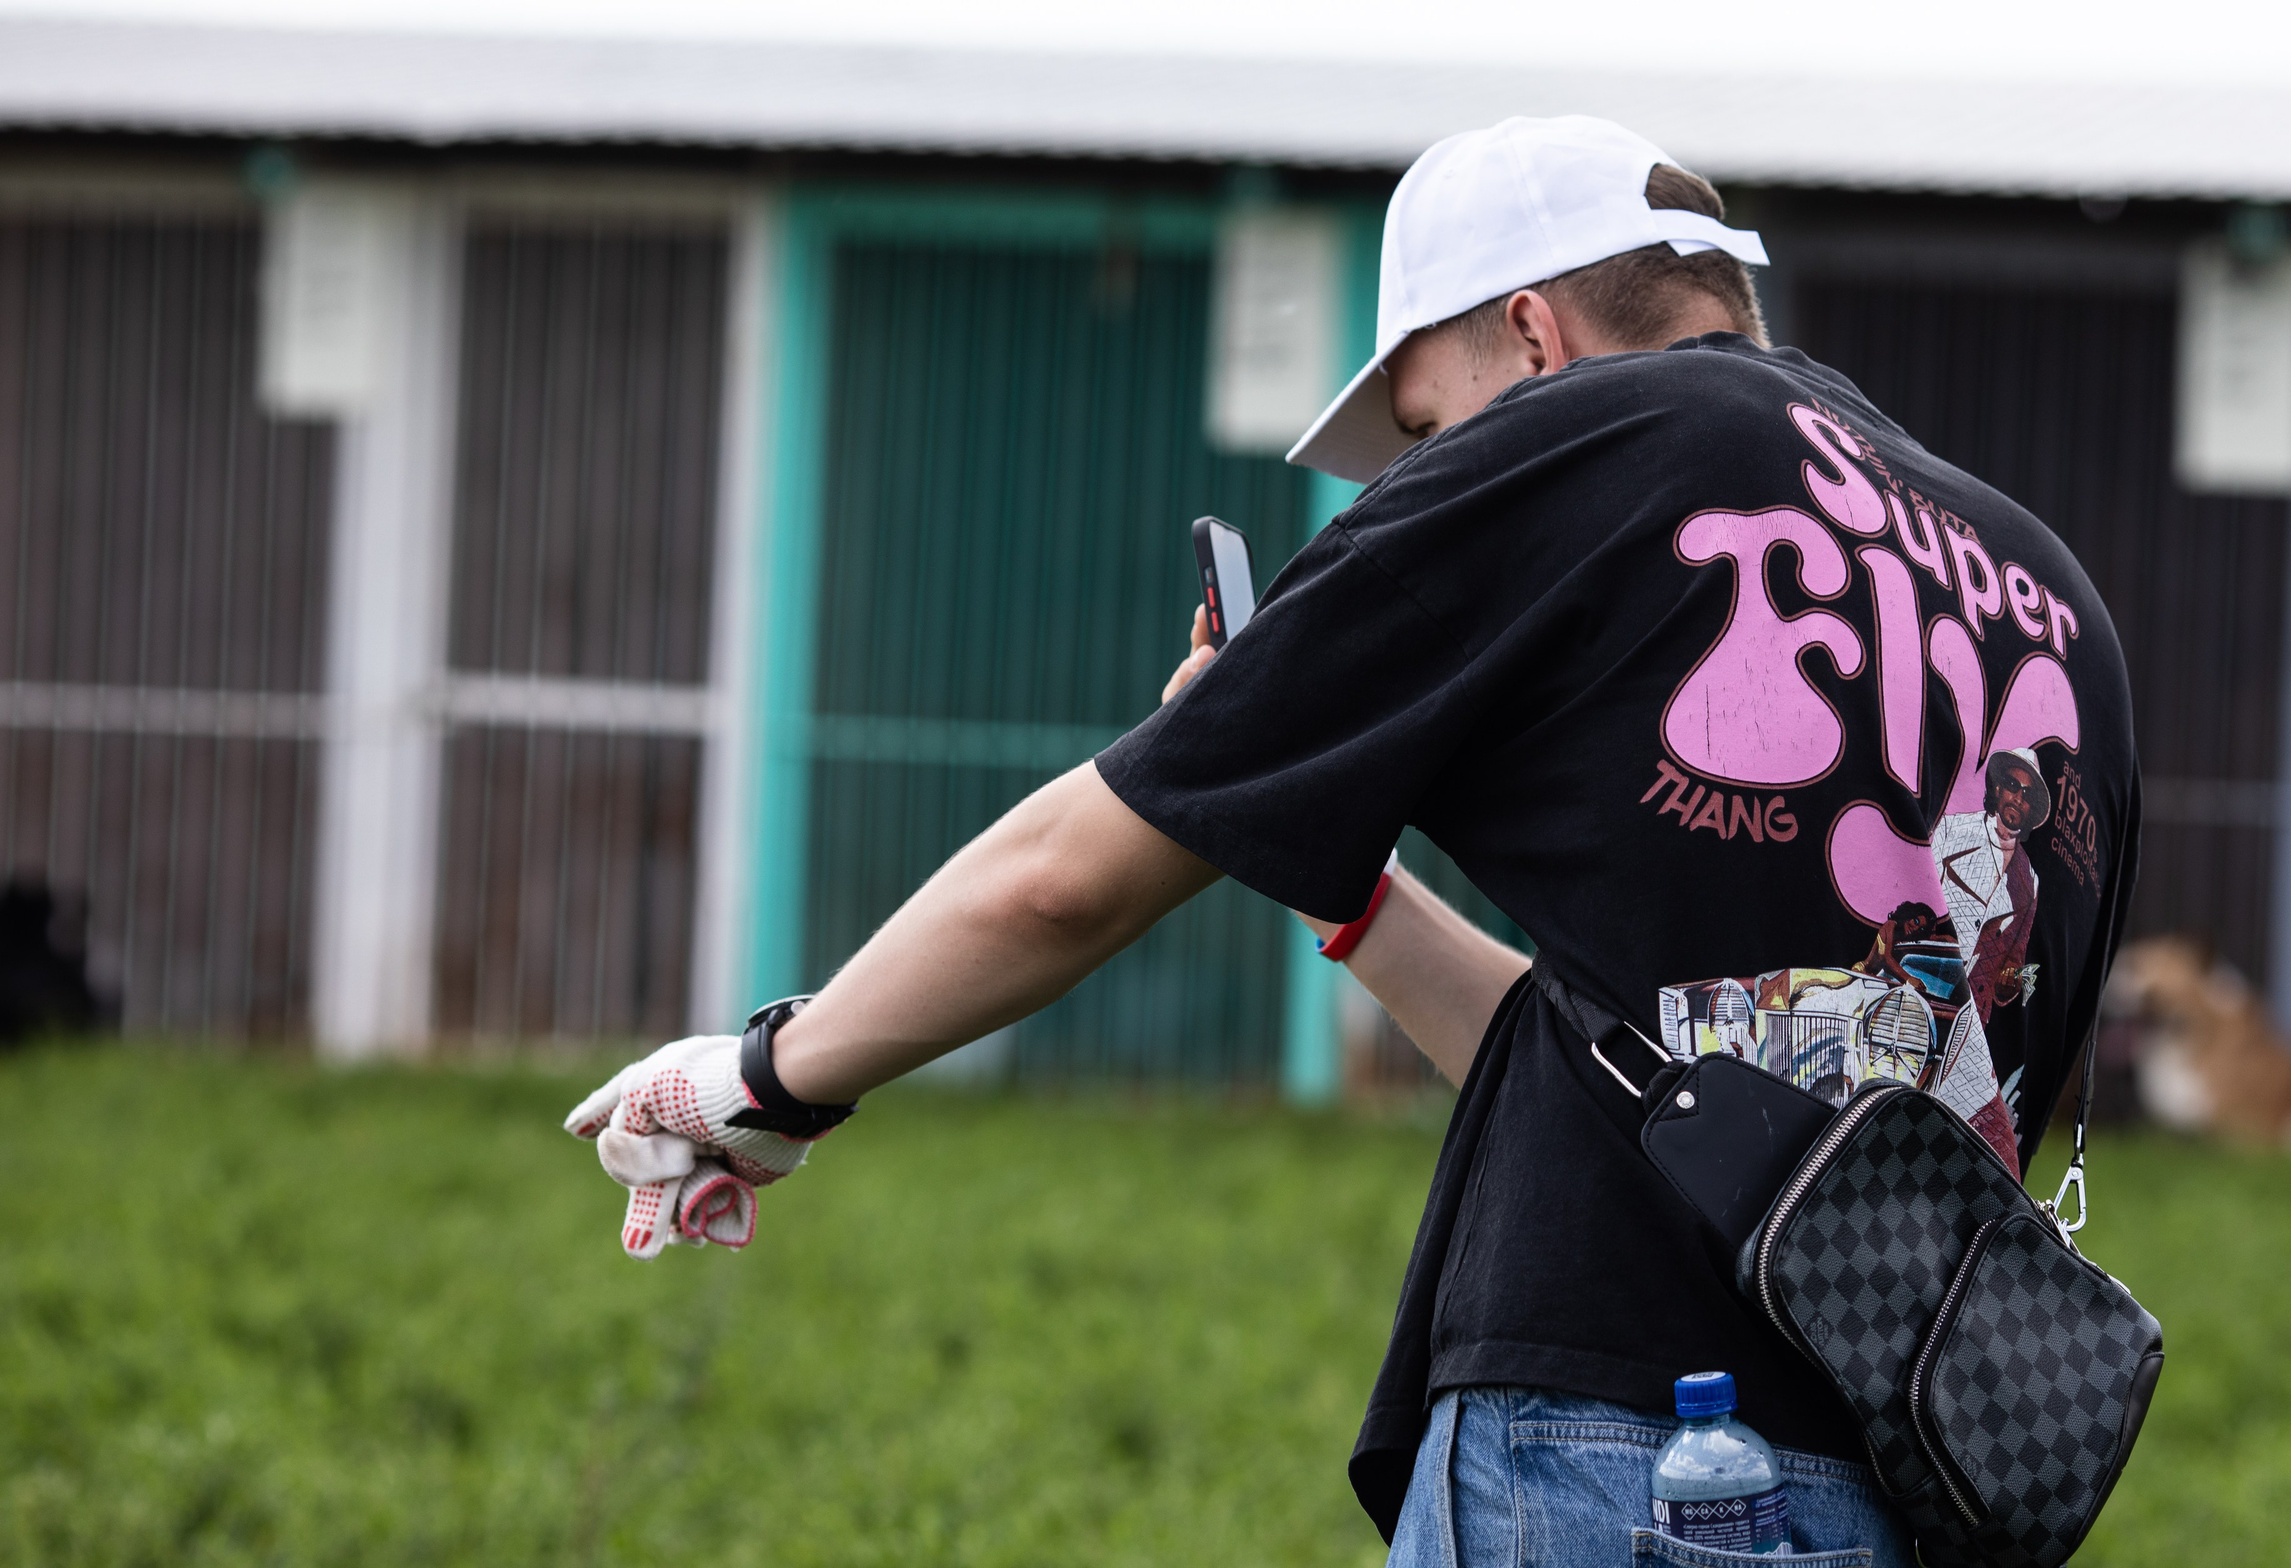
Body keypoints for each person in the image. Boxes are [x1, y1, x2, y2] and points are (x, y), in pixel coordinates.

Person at [564, 115, 2140, 1568]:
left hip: (1602, 1468)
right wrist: (1346, 886)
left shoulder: (1596, 435)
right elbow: (1670, 1084)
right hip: (1904, 1493)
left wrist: (768, 1078)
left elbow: (1062, 882)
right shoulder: (2058, 606)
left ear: (1536, 336)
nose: (1425, 470)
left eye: (1428, 423)